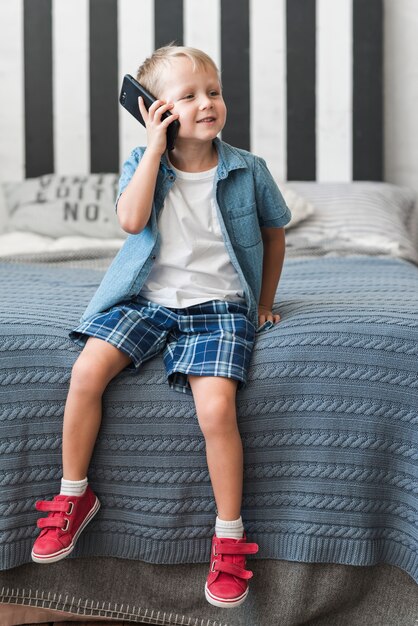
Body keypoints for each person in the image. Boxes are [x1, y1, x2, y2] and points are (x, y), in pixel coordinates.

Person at [31, 45, 291, 608]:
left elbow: (275, 233)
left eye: (214, 92)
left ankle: (228, 537)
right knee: (86, 371)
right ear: (155, 108)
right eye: (190, 95)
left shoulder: (249, 169)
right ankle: (73, 496)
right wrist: (153, 148)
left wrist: (264, 302)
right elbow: (130, 219)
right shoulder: (141, 160)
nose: (208, 103)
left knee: (217, 409)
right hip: (147, 300)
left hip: (218, 307)